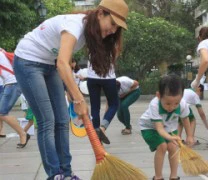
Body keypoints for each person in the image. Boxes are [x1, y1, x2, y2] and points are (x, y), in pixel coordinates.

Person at [13, 0, 128, 179]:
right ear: (100, 14)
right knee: (47, 120)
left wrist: (76, 98)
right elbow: (63, 63)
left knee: (62, 119)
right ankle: (55, 174)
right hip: (27, 61)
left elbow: (61, 63)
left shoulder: (90, 32)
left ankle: (66, 172)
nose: (113, 30)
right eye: (112, 23)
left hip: (48, 64)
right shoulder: (75, 25)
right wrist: (78, 99)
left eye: (117, 28)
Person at [87, 0, 128, 145]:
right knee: (114, 104)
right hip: (108, 76)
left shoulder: (91, 35)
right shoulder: (113, 40)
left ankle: (96, 136)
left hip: (92, 77)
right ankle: (103, 128)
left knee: (95, 107)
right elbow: (116, 55)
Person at [139, 75, 194, 180]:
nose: (172, 107)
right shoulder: (154, 105)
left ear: (181, 97)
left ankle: (173, 176)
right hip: (149, 128)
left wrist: (190, 136)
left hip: (169, 128)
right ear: (159, 95)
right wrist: (170, 137)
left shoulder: (182, 104)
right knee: (162, 146)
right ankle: (158, 177)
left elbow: (185, 119)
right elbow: (159, 129)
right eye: (168, 103)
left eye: (176, 103)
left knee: (173, 147)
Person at [0, 49, 30, 147]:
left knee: (2, 113)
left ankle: (22, 133)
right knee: (2, 113)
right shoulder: (1, 52)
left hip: (12, 84)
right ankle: (23, 133)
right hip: (12, 83)